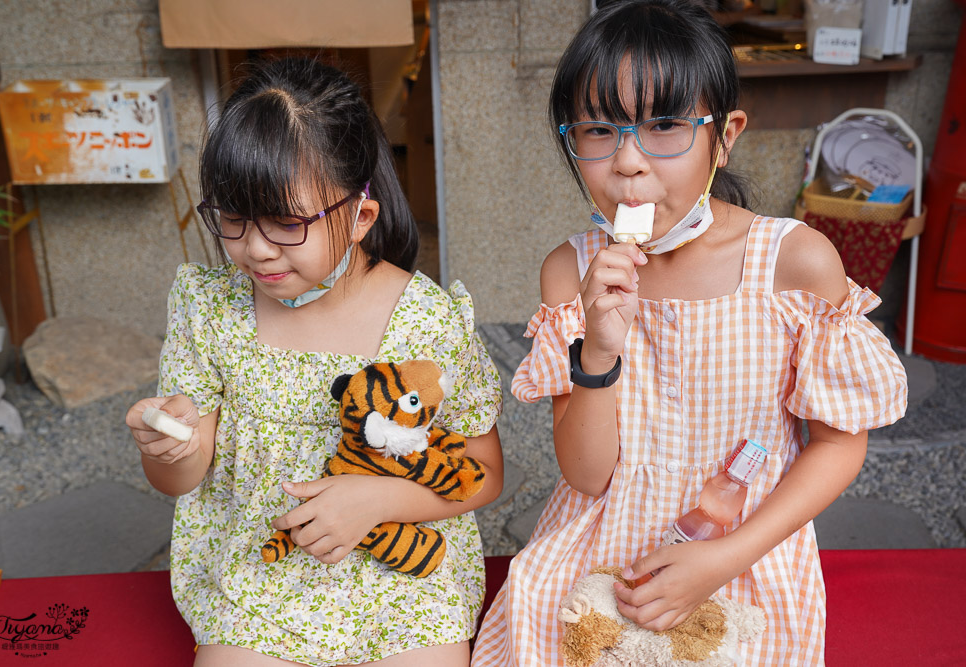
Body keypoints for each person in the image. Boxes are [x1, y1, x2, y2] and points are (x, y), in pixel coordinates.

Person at [471, 1, 907, 664]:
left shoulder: (794, 260)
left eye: (665, 125)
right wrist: (600, 348)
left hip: (745, 547)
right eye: (597, 130)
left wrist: (720, 559)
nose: (628, 163)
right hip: (602, 545)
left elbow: (839, 447)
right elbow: (586, 476)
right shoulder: (571, 270)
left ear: (725, 135)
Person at [125, 56, 503, 667]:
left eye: (285, 223)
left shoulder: (427, 321)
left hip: (401, 575)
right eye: (234, 218)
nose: (254, 248)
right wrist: (164, 448)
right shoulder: (211, 309)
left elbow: (483, 469)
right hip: (259, 569)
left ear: (360, 216)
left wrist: (377, 499)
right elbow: (181, 480)